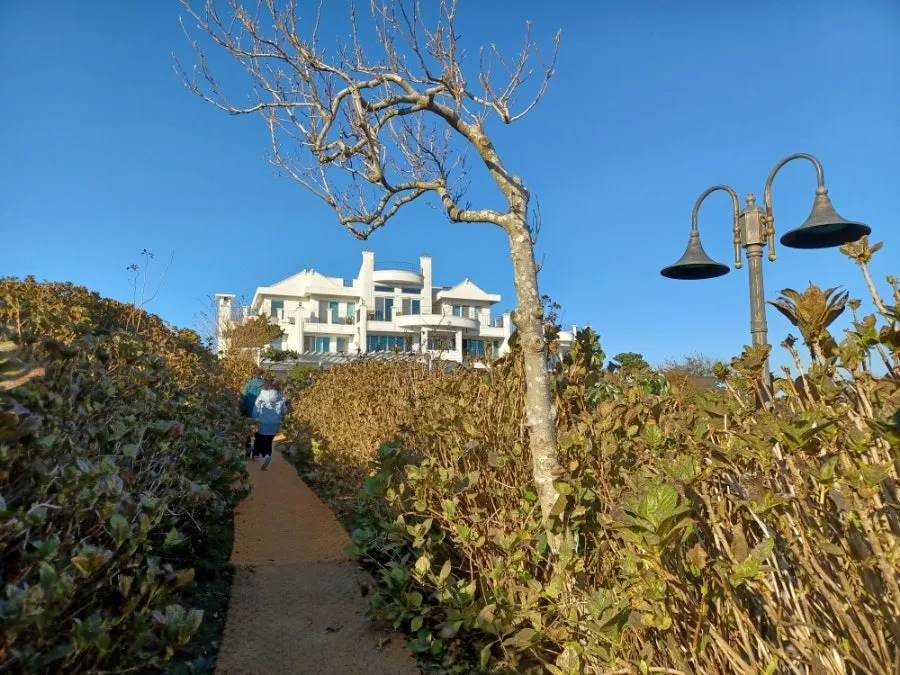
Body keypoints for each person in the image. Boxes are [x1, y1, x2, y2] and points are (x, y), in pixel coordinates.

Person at [251, 376, 289, 470]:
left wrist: (255, 418)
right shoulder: (280, 397)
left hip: (263, 421)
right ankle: (267, 458)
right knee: (268, 442)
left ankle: (265, 456)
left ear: (266, 385)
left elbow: (256, 407)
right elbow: (284, 411)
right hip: (275, 422)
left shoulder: (262, 395)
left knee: (260, 440)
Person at [239, 368, 265, 458]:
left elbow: (242, 396)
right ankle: (255, 454)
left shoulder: (249, 383)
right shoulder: (265, 384)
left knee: (248, 432)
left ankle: (247, 452)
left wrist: (241, 410)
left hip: (248, 411)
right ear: (262, 375)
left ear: (253, 374)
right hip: (260, 412)